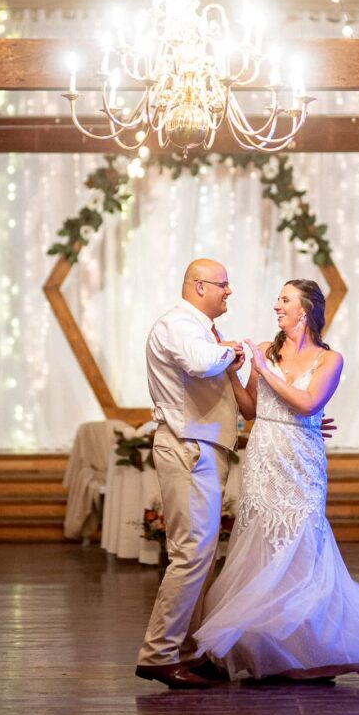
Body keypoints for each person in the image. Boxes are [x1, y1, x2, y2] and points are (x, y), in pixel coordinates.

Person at [193, 278, 359, 683]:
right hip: (264, 455)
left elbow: (309, 403)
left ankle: (309, 649)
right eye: (277, 299)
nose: (276, 306)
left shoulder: (330, 360)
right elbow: (251, 409)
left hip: (303, 461)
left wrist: (264, 371)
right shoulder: (267, 350)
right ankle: (265, 649)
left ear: (306, 309)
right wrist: (232, 375)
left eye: (285, 300)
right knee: (261, 544)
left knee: (301, 545)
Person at [135, 257, 245, 689]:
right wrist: (233, 350)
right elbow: (201, 363)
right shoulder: (179, 324)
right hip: (187, 446)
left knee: (202, 554)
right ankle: (159, 653)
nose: (229, 291)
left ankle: (187, 650)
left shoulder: (199, 328)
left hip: (200, 445)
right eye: (223, 284)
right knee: (190, 553)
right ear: (199, 286)